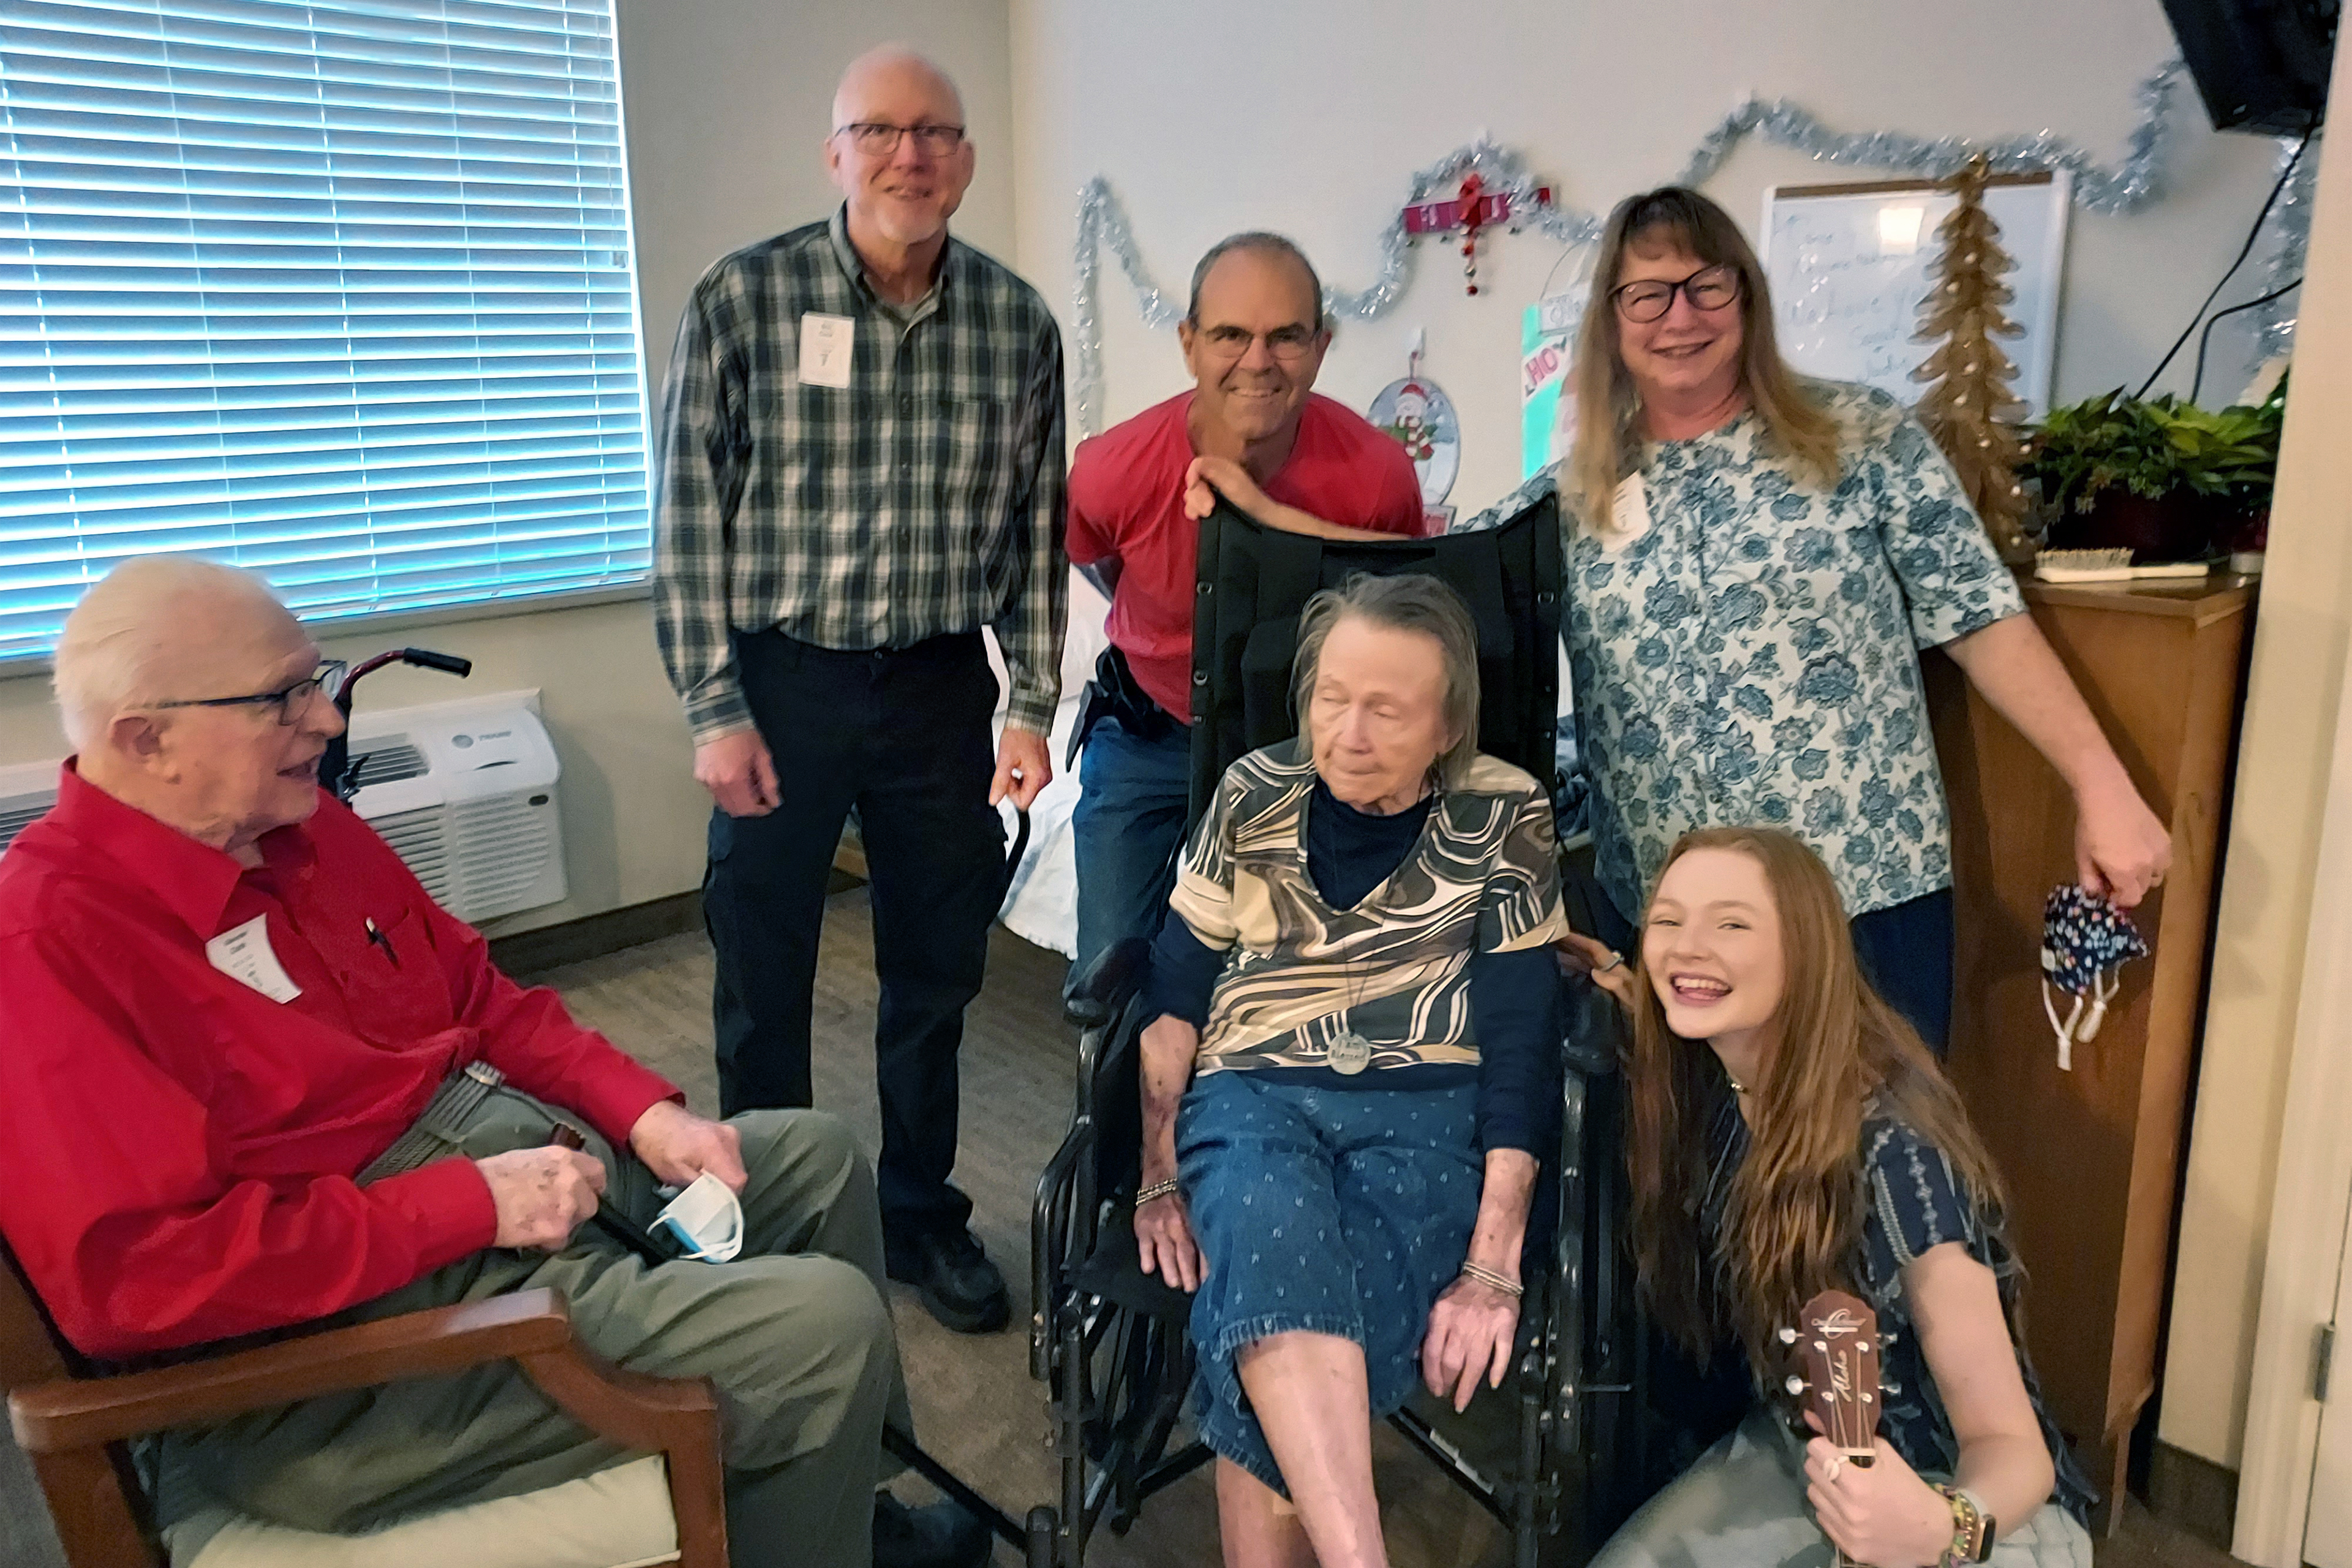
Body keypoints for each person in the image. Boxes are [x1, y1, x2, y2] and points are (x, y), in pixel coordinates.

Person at [0, 557, 985, 1568]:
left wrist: (644, 1113)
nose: (328, 721)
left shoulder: (301, 827)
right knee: (820, 1330)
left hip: (503, 1190)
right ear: (145, 738)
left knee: (814, 1160)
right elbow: (139, 1284)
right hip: (337, 1369)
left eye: (316, 680)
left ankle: (836, 1508)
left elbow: (480, 1000)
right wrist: (467, 1205)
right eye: (281, 697)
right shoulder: (47, 944)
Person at [1204, 187, 2173, 1051]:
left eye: (1708, 287)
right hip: (1673, 916)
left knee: (1874, 1188)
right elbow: (1419, 581)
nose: (1681, 318)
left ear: (1747, 298)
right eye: (1648, 295)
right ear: (1613, 322)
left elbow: (1980, 616)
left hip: (1860, 895)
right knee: (1686, 1199)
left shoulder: (1864, 439)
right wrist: (1266, 516)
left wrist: (2102, 786)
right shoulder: (1569, 501)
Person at [652, 46, 1066, 1332]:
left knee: (934, 966)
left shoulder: (1016, 322)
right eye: (879, 131)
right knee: (762, 964)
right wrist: (714, 707)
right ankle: (772, 1218)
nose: (910, 154)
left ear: (967, 159)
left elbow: (1036, 533)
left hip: (941, 683)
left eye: (935, 132)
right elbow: (686, 525)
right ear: (836, 154)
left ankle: (919, 1211)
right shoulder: (745, 296)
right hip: (784, 680)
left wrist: (1031, 703)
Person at [1131, 573, 1567, 1568]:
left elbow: (1521, 1036)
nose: (1349, 731)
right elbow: (1172, 998)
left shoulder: (1506, 815)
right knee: (1270, 1229)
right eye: (1332, 696)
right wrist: (1158, 1172)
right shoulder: (1251, 793)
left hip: (1426, 1112)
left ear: (1449, 723)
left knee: (1275, 1320)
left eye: (1387, 707)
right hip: (1251, 1097)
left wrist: (1493, 1262)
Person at [1570, 826, 2094, 1567]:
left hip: (1968, 1501)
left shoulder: (1896, 1153)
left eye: (1731, 923)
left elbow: (2013, 1450)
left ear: (1805, 952)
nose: (1688, 946)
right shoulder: (1715, 1085)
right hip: (1807, 1453)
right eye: (1668, 920)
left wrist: (1944, 1527)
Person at [1064, 232, 1426, 990]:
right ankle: (1115, 1109)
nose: (1257, 360)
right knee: (1109, 977)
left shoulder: (1377, 474)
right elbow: (1095, 560)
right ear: (1190, 343)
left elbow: (1411, 612)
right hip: (1147, 736)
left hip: (1304, 748)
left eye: (1286, 336)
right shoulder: (1111, 469)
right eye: (1230, 334)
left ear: (1321, 347)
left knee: (1300, 981)